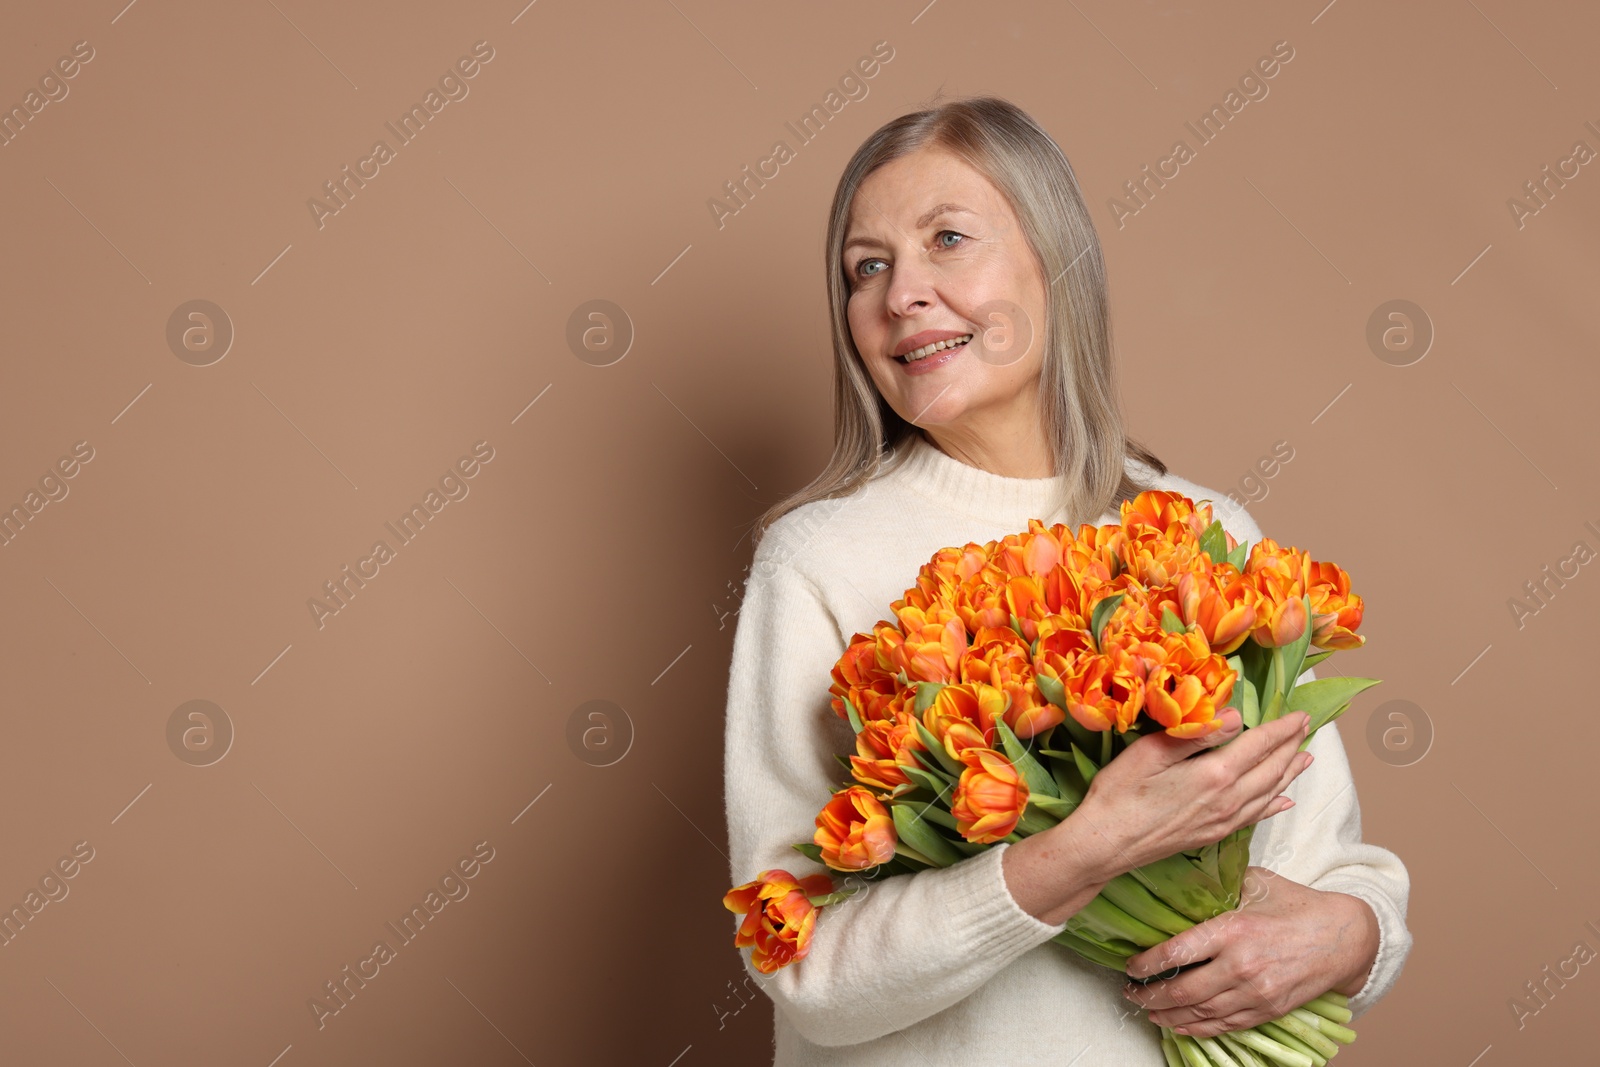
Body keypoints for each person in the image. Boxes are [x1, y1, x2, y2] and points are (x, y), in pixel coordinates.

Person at [721, 95, 1411, 1065]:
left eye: (947, 239)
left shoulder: (1201, 534)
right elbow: (804, 965)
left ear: (1058, 262)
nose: (899, 293)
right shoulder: (817, 560)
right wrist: (1079, 850)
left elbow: (1326, 867)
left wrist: (1352, 935)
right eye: (865, 268)